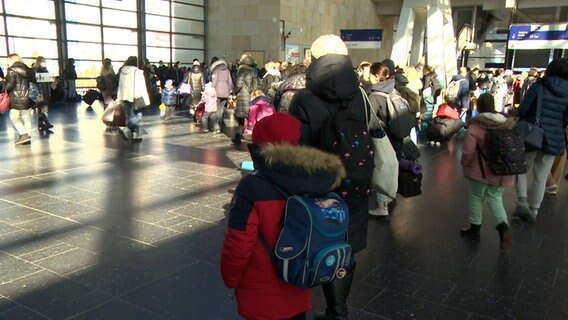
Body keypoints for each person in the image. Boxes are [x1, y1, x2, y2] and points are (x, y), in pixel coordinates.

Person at [221, 112, 346, 320]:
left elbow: (239, 243)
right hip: (299, 280)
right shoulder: (317, 180)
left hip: (262, 293)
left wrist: (230, 279)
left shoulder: (252, 187)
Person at [288, 34, 371, 320]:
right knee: (347, 245)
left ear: (314, 60)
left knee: (322, 243)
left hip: (319, 184)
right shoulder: (360, 93)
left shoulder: (303, 98)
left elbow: (296, 149)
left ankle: (324, 308)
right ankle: (339, 310)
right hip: (357, 180)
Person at [515, 58, 568, 222]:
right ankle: (534, 210)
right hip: (554, 136)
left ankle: (522, 201)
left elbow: (523, 109)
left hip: (532, 134)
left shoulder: (539, 86)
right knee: (541, 176)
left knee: (521, 169)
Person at [459, 93, 513, 251]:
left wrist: (465, 164)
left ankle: (474, 229)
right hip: (501, 170)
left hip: (480, 171)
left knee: (476, 197)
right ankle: (503, 228)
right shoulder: (505, 124)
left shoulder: (476, 126)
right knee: (495, 199)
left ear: (478, 107)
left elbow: (468, 151)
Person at [366, 62, 403, 217]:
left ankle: (382, 206)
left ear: (375, 76)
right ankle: (389, 198)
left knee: (382, 169)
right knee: (392, 168)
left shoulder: (375, 94)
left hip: (383, 137)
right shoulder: (393, 90)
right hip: (397, 136)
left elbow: (371, 121)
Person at [116, 56, 150, 142]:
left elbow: (120, 85)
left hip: (125, 97)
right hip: (136, 97)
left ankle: (135, 136)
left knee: (130, 117)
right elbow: (142, 87)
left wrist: (119, 97)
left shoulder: (122, 71)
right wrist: (147, 100)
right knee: (138, 117)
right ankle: (126, 129)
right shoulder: (138, 72)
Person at [5, 54, 35, 145]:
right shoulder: (29, 70)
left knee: (14, 117)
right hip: (29, 98)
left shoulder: (11, 70)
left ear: (11, 59)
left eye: (8, 60)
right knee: (27, 118)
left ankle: (23, 134)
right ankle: (27, 138)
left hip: (16, 98)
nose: (7, 62)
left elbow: (8, 86)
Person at [233, 54, 260, 144]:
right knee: (250, 116)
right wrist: (250, 90)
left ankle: (238, 135)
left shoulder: (241, 71)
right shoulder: (253, 72)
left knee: (240, 117)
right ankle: (255, 136)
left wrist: (234, 93)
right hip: (249, 96)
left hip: (241, 95)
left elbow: (238, 84)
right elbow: (255, 85)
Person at [210, 57, 234, 129]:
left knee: (216, 109)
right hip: (225, 92)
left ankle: (216, 126)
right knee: (222, 108)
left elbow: (214, 82)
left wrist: (211, 88)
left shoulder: (216, 70)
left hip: (217, 92)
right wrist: (229, 90)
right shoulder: (227, 70)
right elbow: (230, 82)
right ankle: (221, 124)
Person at [33, 56, 53, 132]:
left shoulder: (44, 70)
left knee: (43, 108)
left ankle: (41, 124)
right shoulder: (35, 70)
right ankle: (45, 123)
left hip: (46, 91)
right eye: (42, 61)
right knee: (43, 108)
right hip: (40, 91)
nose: (44, 62)